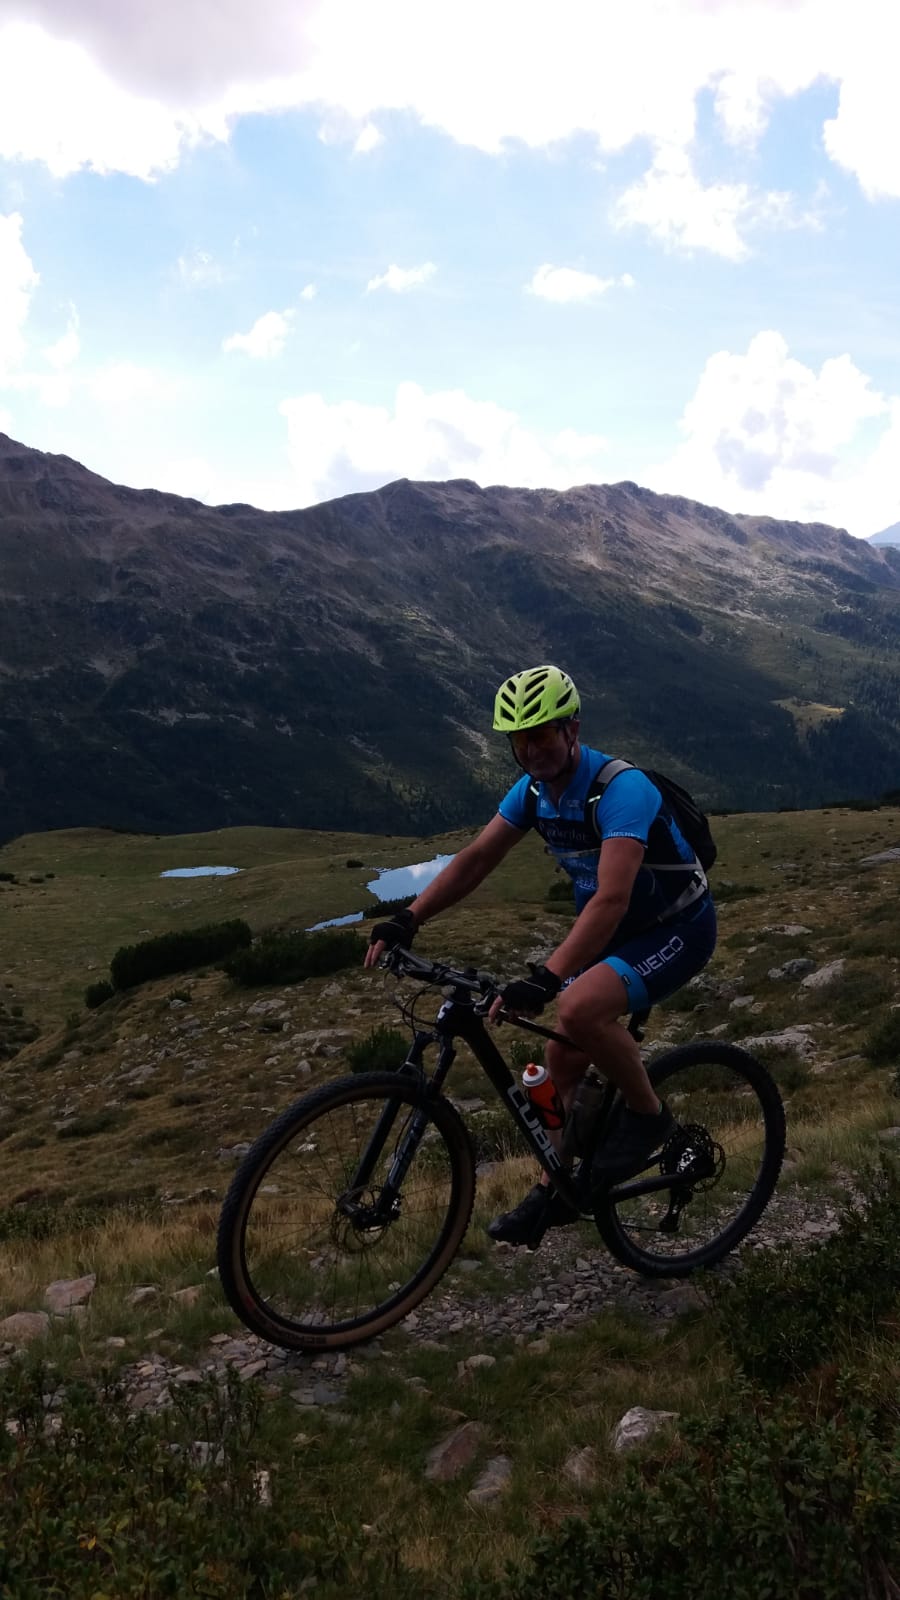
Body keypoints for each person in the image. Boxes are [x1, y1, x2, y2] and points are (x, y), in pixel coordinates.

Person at [365, 664, 717, 1248]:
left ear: (571, 728)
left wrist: (548, 977)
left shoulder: (622, 790)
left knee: (577, 1009)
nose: (531, 750)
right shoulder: (532, 792)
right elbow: (477, 859)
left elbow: (612, 899)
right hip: (614, 932)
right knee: (560, 1058)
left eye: (543, 734)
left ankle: (648, 1117)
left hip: (676, 927)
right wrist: (410, 917)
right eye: (519, 740)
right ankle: (555, 1188)